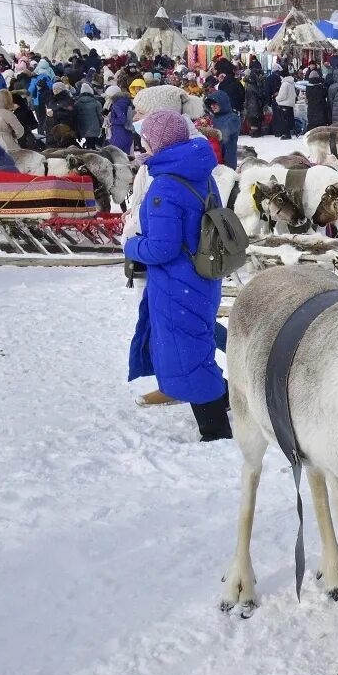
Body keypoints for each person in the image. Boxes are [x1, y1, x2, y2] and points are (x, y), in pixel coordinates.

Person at [123, 110, 231, 442]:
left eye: (145, 141)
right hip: (203, 275)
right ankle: (226, 397)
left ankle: (216, 433)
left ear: (156, 143)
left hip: (177, 283)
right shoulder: (200, 172)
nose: (143, 146)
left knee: (188, 356)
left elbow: (162, 248)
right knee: (196, 344)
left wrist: (132, 245)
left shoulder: (165, 187)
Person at [206, 83, 241, 169]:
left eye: (215, 103)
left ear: (222, 103)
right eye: (210, 104)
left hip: (228, 161)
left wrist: (205, 130)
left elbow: (224, 132)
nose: (212, 106)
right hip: (214, 159)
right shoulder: (211, 118)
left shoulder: (233, 118)